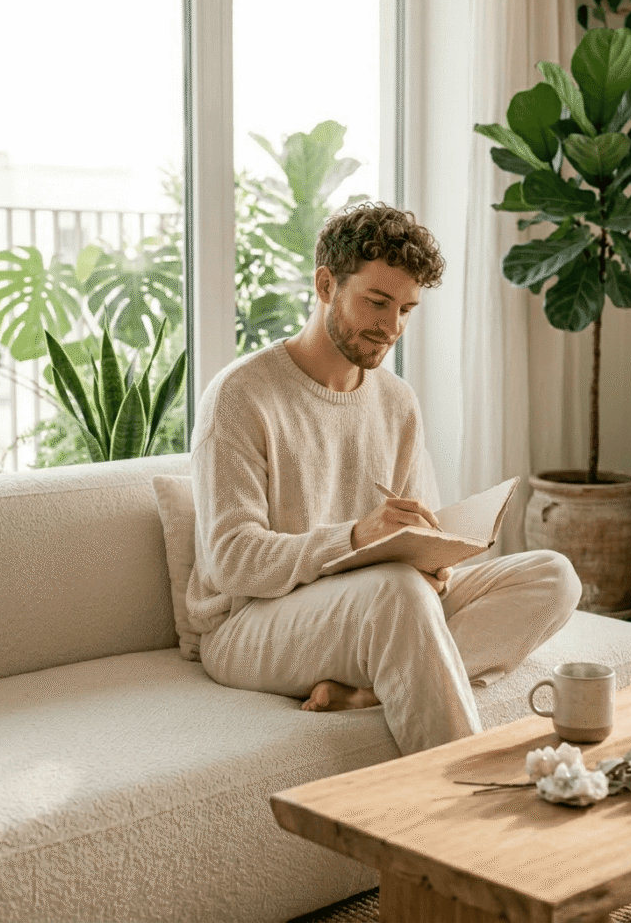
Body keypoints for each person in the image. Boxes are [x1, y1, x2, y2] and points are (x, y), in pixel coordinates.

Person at [187, 202, 581, 756]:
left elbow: (421, 531)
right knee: (397, 592)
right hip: (249, 622)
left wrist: (436, 561)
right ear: (326, 285)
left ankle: (372, 693)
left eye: (407, 309)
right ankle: (459, 806)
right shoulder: (241, 395)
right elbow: (231, 560)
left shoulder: (396, 401)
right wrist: (353, 539)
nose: (391, 327)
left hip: (377, 605)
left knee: (553, 575)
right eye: (377, 301)